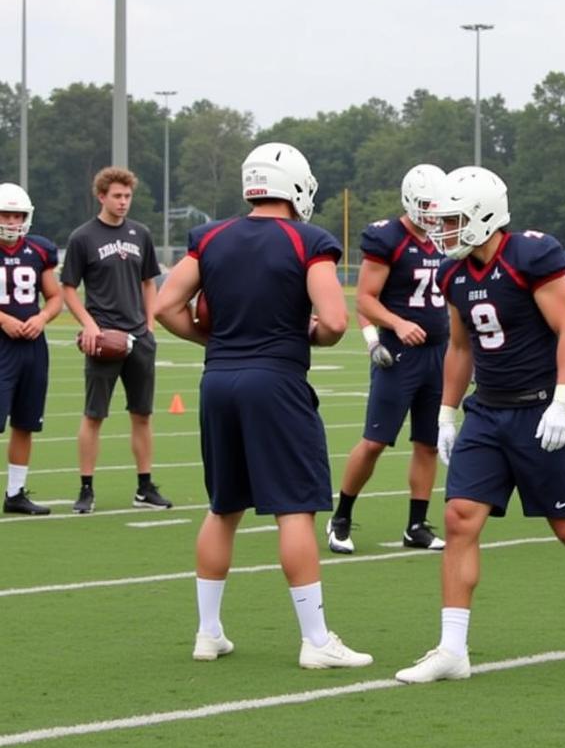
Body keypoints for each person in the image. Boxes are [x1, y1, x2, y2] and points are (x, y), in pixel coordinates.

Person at [395, 166, 565, 684]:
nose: (445, 231)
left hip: (540, 406)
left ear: (483, 215)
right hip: (488, 408)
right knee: (459, 517)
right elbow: (460, 347)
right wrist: (446, 413)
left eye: (455, 220)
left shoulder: (531, 255)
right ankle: (453, 648)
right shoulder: (454, 273)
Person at [155, 142, 372, 669]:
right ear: (295, 186)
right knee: (294, 508)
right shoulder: (308, 239)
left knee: (223, 506)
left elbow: (163, 306)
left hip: (219, 380)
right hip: (275, 381)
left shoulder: (210, 237)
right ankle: (316, 640)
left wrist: (220, 341)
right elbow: (336, 321)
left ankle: (208, 634)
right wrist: (298, 337)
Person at [325, 164, 449, 555]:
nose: (434, 213)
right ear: (410, 200)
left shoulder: (446, 237)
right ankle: (341, 515)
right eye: (428, 204)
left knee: (428, 444)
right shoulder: (387, 237)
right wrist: (395, 326)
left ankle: (416, 524)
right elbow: (364, 298)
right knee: (376, 441)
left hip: (438, 354)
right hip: (401, 354)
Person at [60, 167, 172, 514]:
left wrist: (150, 324)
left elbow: (149, 282)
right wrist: (90, 326)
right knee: (94, 415)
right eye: (117, 196)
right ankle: (86, 489)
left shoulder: (141, 233)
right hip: (104, 338)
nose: (123, 202)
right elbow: (68, 289)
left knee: (142, 415)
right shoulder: (83, 237)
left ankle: (144, 487)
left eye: (127, 196)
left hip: (139, 337)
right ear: (102, 196)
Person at [0, 184, 62, 516]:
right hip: (1, 344)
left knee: (25, 422)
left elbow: (54, 297)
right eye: (5, 214)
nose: (11, 222)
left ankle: (15, 493)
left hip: (32, 345)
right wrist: (2, 320)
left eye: (17, 215)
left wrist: (41, 317)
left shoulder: (40, 250)